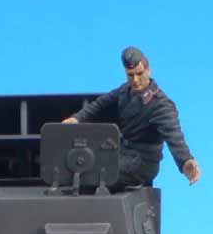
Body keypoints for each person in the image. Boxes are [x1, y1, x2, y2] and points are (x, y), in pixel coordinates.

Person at [63, 46, 201, 188]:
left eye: (140, 74)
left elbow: (175, 137)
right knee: (81, 161)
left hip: (142, 162)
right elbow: (100, 104)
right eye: (130, 75)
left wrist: (186, 161)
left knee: (94, 172)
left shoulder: (161, 105)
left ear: (148, 70)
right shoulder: (125, 91)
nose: (135, 80)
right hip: (123, 152)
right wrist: (77, 118)